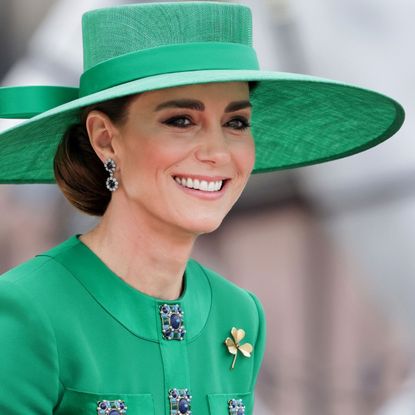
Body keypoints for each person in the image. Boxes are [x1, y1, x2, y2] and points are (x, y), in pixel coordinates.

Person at [0, 2, 404, 414]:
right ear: (106, 139)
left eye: (236, 123)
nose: (217, 152)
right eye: (180, 121)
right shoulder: (28, 311)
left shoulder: (240, 314)